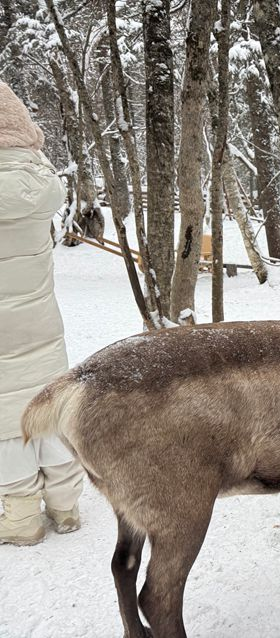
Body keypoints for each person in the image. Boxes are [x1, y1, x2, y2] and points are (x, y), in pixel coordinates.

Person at [0, 81, 85, 546]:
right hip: (40, 319)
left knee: (7, 422)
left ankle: (20, 519)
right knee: (44, 408)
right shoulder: (40, 181)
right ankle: (66, 506)